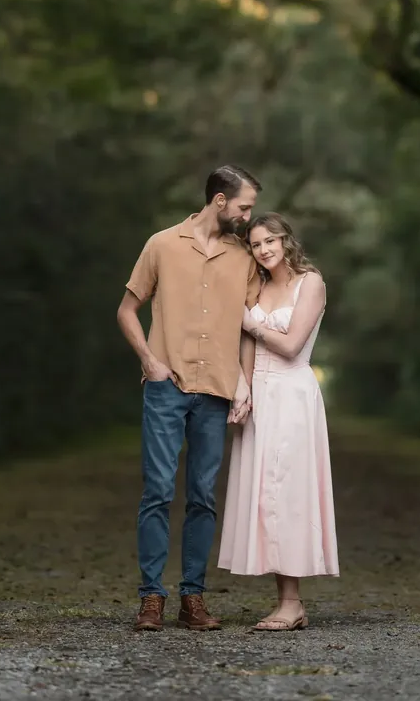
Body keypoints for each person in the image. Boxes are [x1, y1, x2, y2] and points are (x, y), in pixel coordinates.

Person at [117, 165, 262, 633]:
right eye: (244, 207)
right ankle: (151, 599)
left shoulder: (244, 259)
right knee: (157, 491)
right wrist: (148, 360)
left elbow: (249, 327)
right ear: (220, 201)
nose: (248, 217)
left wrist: (246, 382)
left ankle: (192, 599)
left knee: (203, 496)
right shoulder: (161, 244)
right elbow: (126, 311)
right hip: (166, 387)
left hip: (217, 391)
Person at [218, 212, 339, 631]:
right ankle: (285, 600)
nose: (264, 249)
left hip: (292, 394)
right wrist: (243, 388)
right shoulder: (259, 287)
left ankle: (292, 602)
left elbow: (290, 345)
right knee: (265, 496)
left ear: (286, 241)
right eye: (255, 244)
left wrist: (250, 322)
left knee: (288, 494)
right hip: (261, 397)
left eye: (270, 240)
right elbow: (244, 346)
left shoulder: (312, 282)